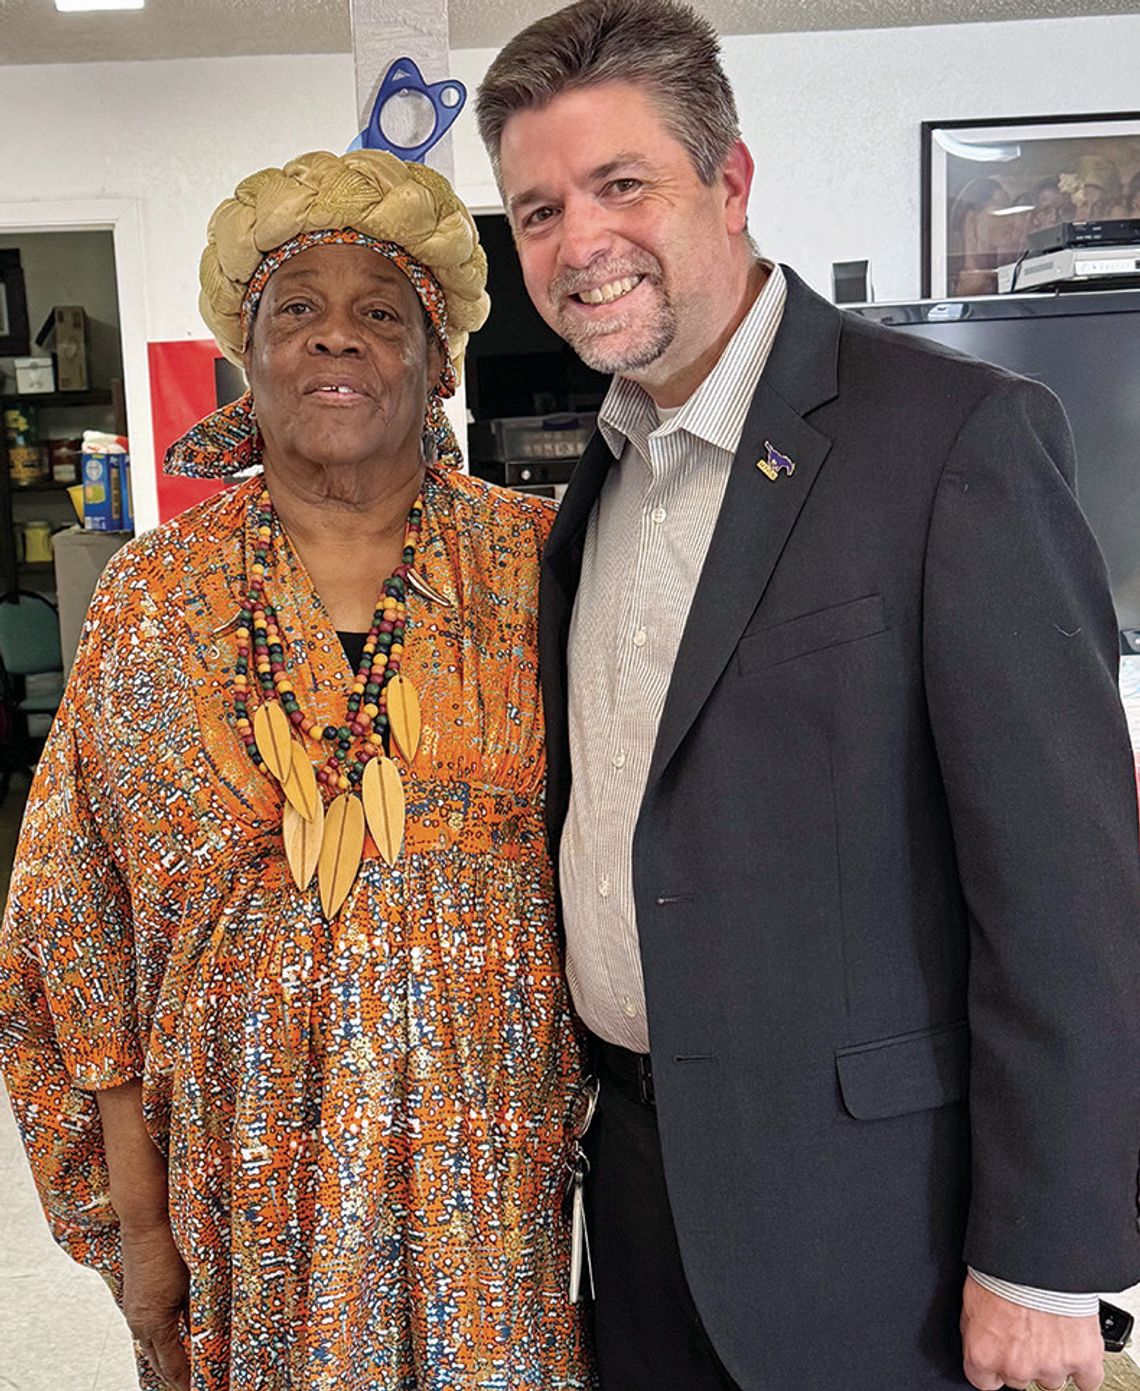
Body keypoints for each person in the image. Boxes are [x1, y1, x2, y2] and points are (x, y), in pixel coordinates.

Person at [475, 3, 1140, 1389]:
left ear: (730, 180)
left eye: (622, 185)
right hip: (642, 1191)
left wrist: (1046, 1257)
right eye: (537, 211)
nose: (578, 242)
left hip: (873, 1225)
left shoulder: (951, 443)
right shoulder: (597, 487)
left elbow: (1072, 896)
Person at [0, 150, 592, 1391]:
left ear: (442, 365)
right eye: (296, 310)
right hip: (248, 1174)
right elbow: (73, 918)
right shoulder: (155, 600)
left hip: (489, 1165)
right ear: (246, 358)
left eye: (381, 312)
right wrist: (141, 1225)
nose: (338, 338)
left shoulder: (540, 564)